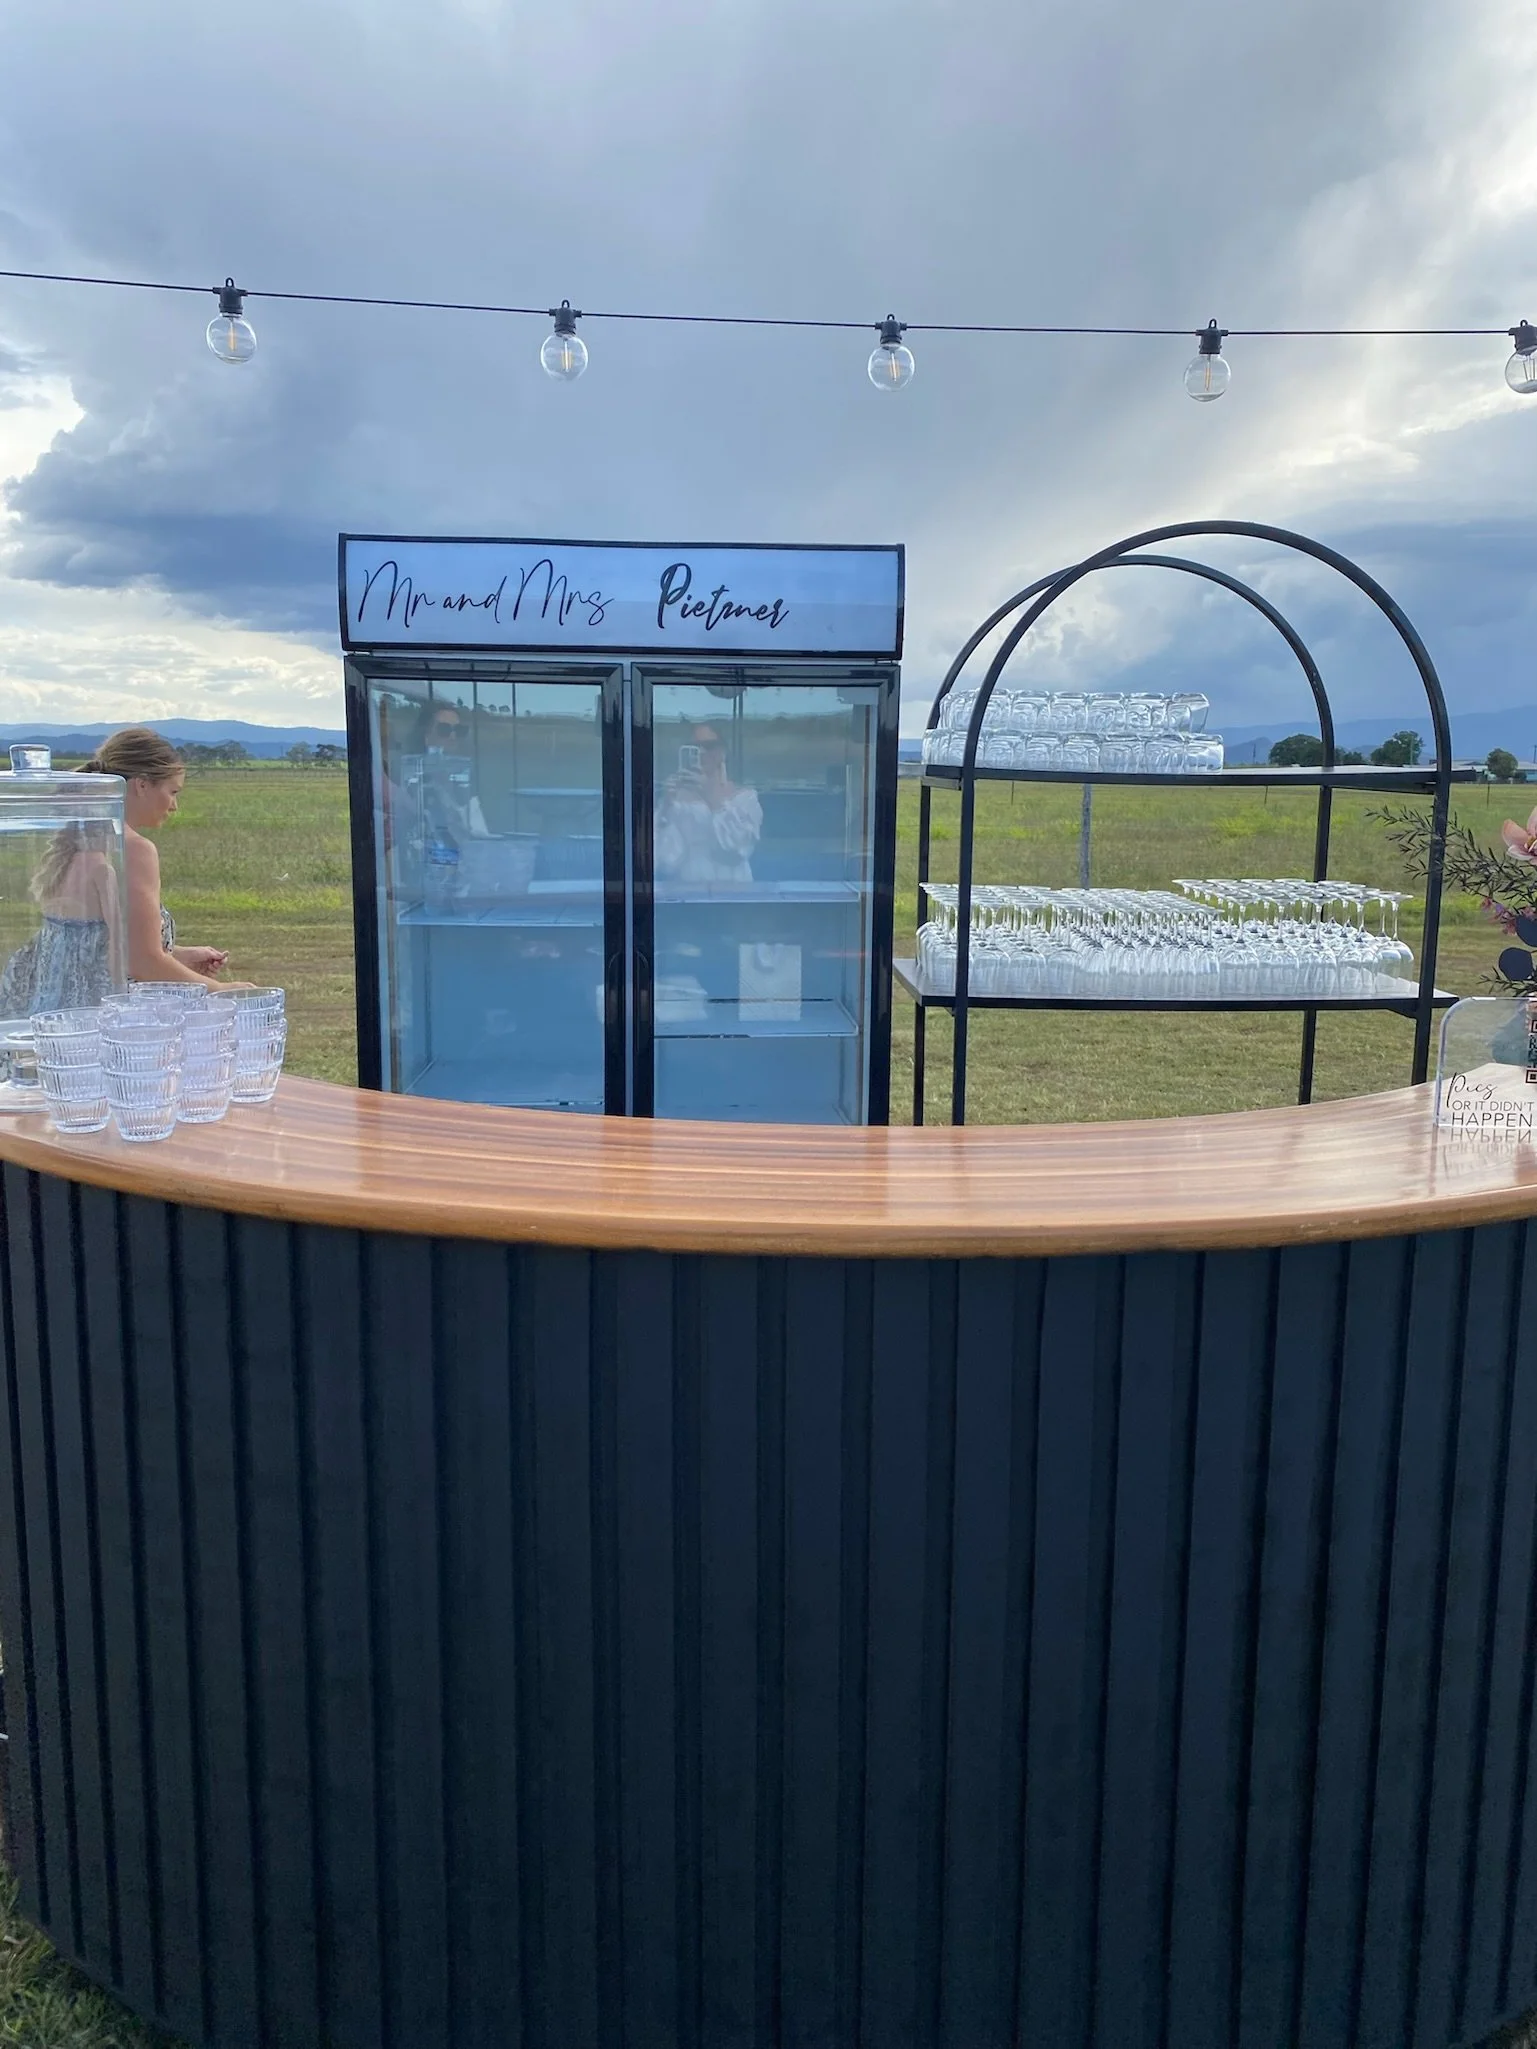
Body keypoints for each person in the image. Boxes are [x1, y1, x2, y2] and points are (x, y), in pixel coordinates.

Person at [80, 727, 240, 987]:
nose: (174, 806)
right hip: (101, 1010)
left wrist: (175, 956)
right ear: (142, 785)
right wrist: (222, 989)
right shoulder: (133, 850)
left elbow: (97, 944)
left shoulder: (77, 840)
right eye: (173, 792)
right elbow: (142, 963)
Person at [654, 725, 763, 885]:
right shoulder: (677, 801)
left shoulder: (745, 798)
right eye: (695, 747)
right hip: (688, 893)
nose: (702, 752)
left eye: (709, 746)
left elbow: (737, 850)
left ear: (723, 752)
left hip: (734, 892)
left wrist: (712, 798)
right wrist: (666, 807)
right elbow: (665, 862)